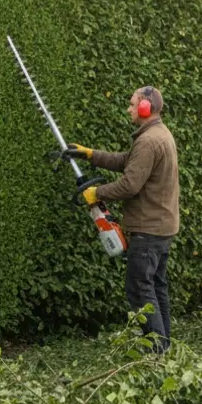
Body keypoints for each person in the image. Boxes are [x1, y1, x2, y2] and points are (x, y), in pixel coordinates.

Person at [63, 87, 180, 352]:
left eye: (132, 104)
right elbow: (128, 161)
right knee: (156, 287)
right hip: (162, 227)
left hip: (149, 230)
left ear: (145, 108)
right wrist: (90, 154)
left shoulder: (149, 140)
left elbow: (130, 185)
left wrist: (97, 193)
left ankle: (157, 352)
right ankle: (165, 348)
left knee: (139, 290)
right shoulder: (157, 135)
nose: (128, 109)